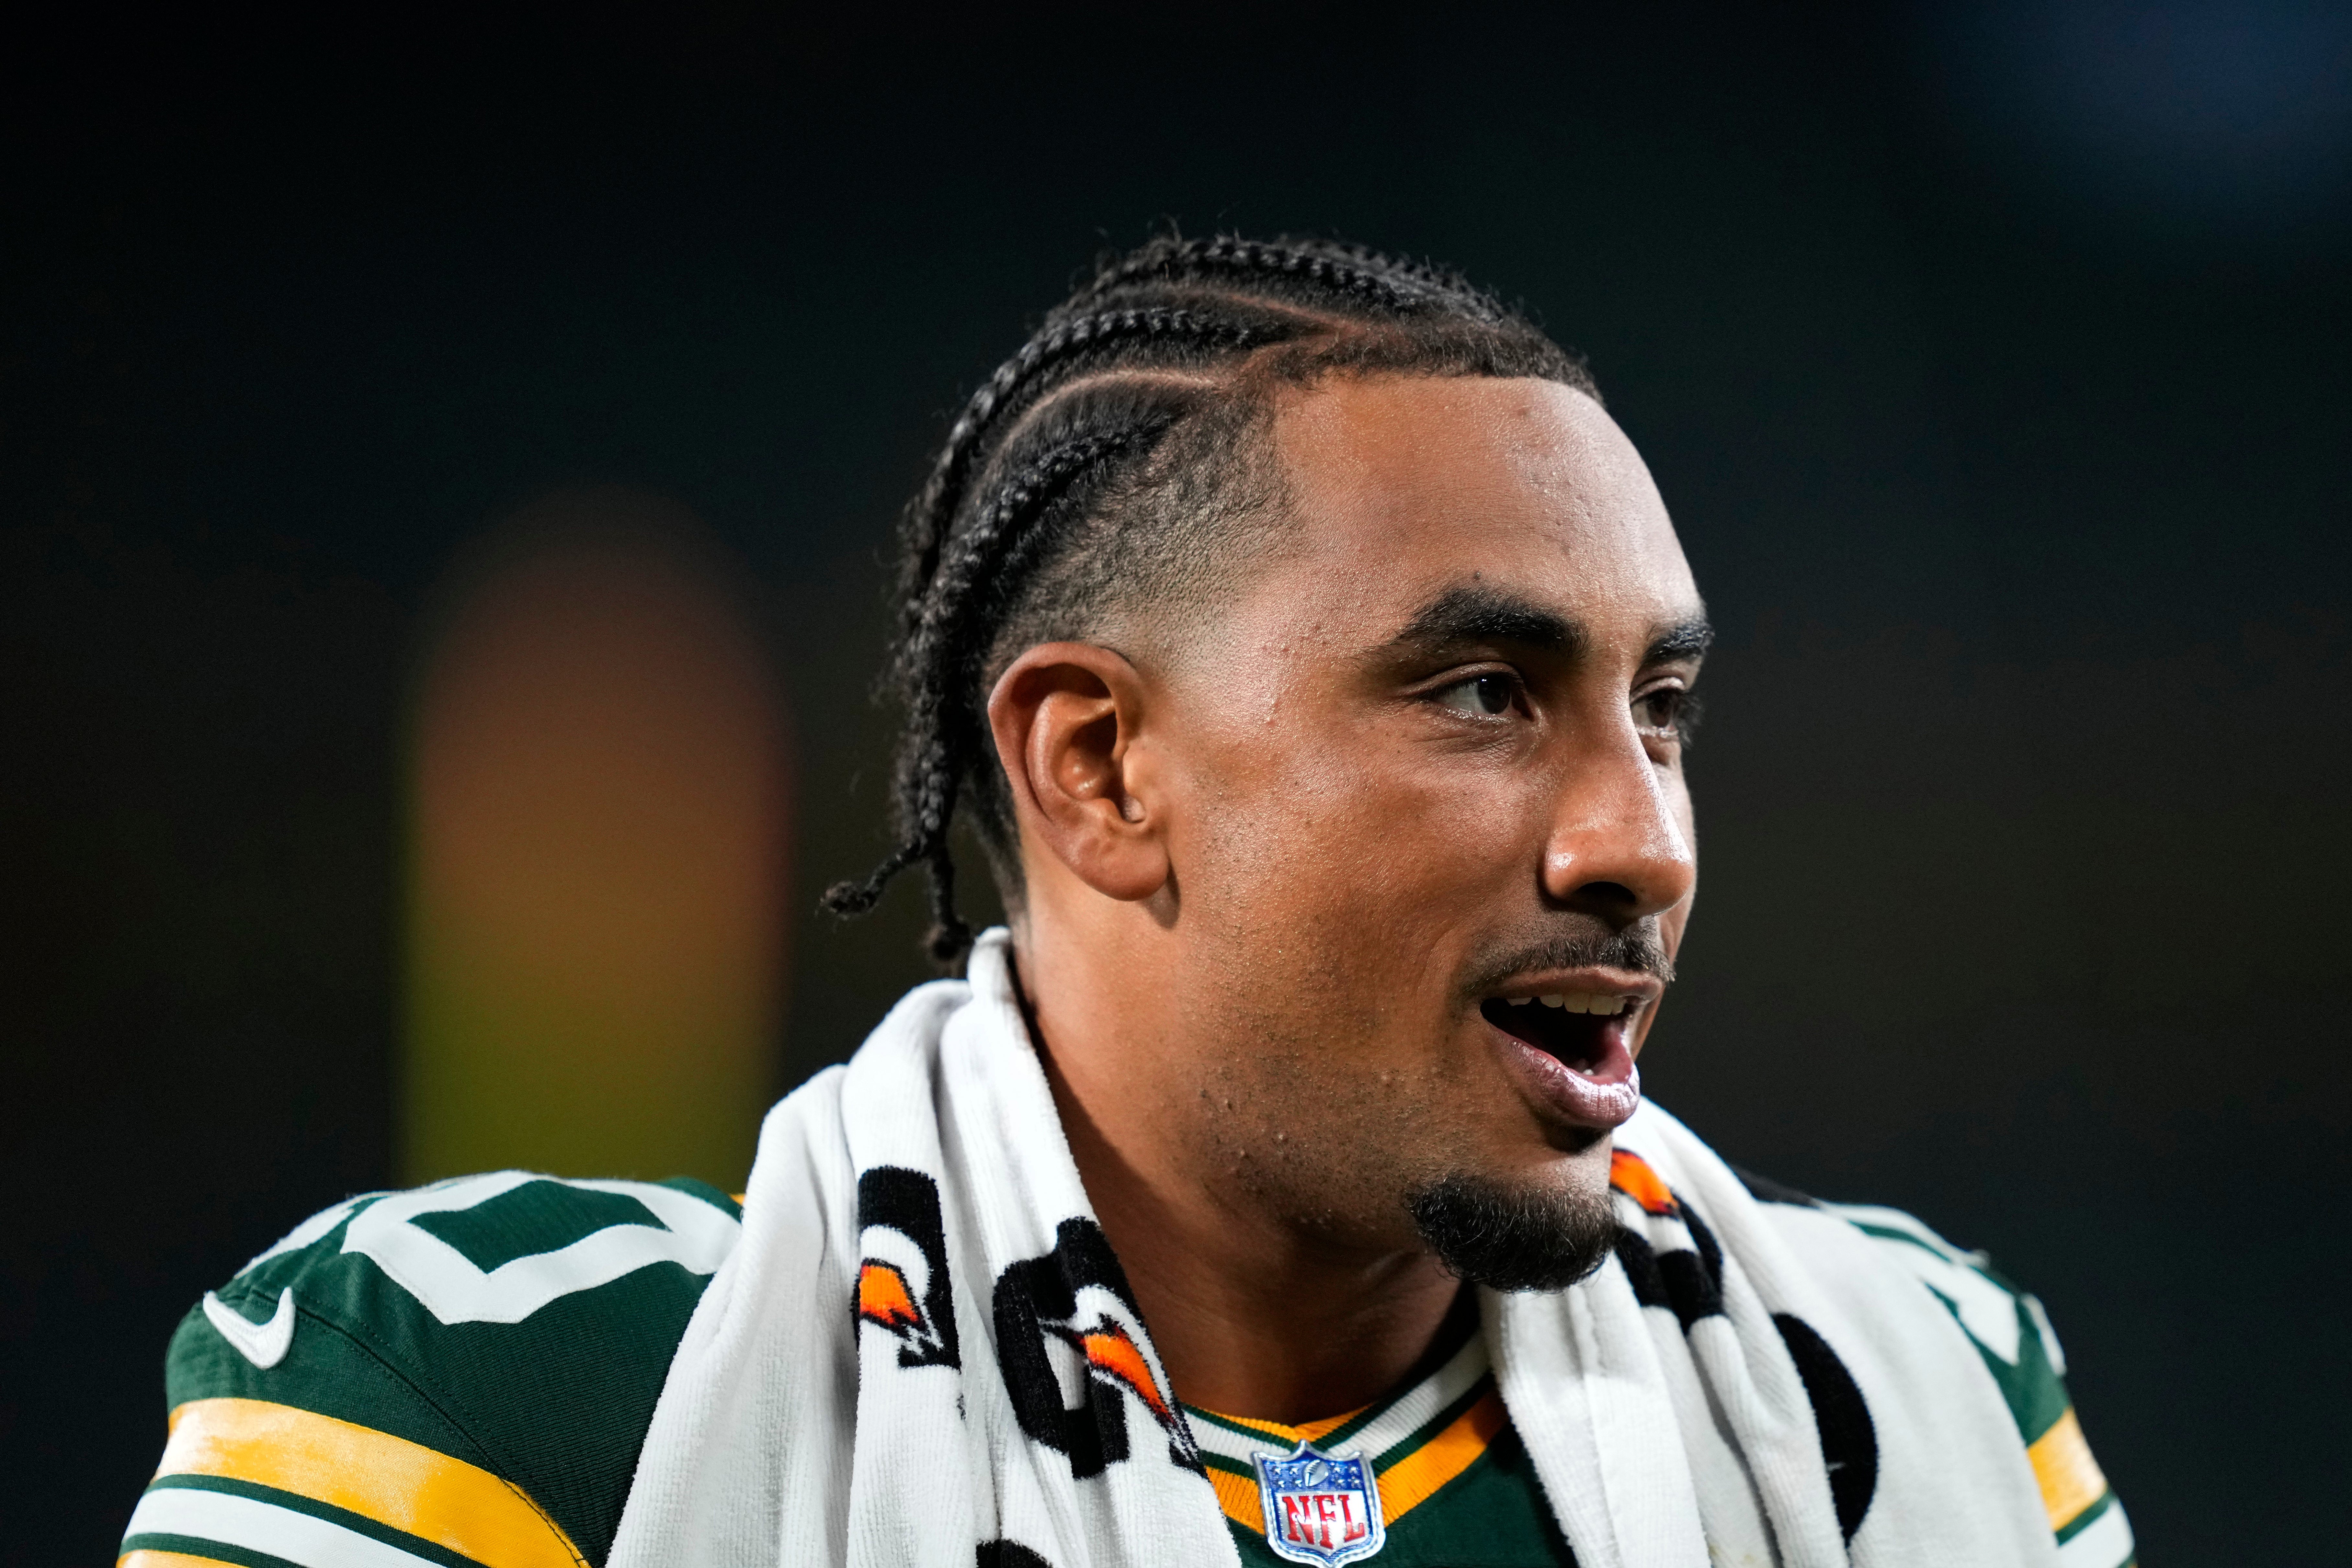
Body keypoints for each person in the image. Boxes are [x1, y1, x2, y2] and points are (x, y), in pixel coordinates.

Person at [119, 236, 2132, 1568]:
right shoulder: (511, 1402)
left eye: (1664, 709)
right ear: (1098, 768)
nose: (1640, 844)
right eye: (1481, 696)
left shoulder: (1915, 1390)